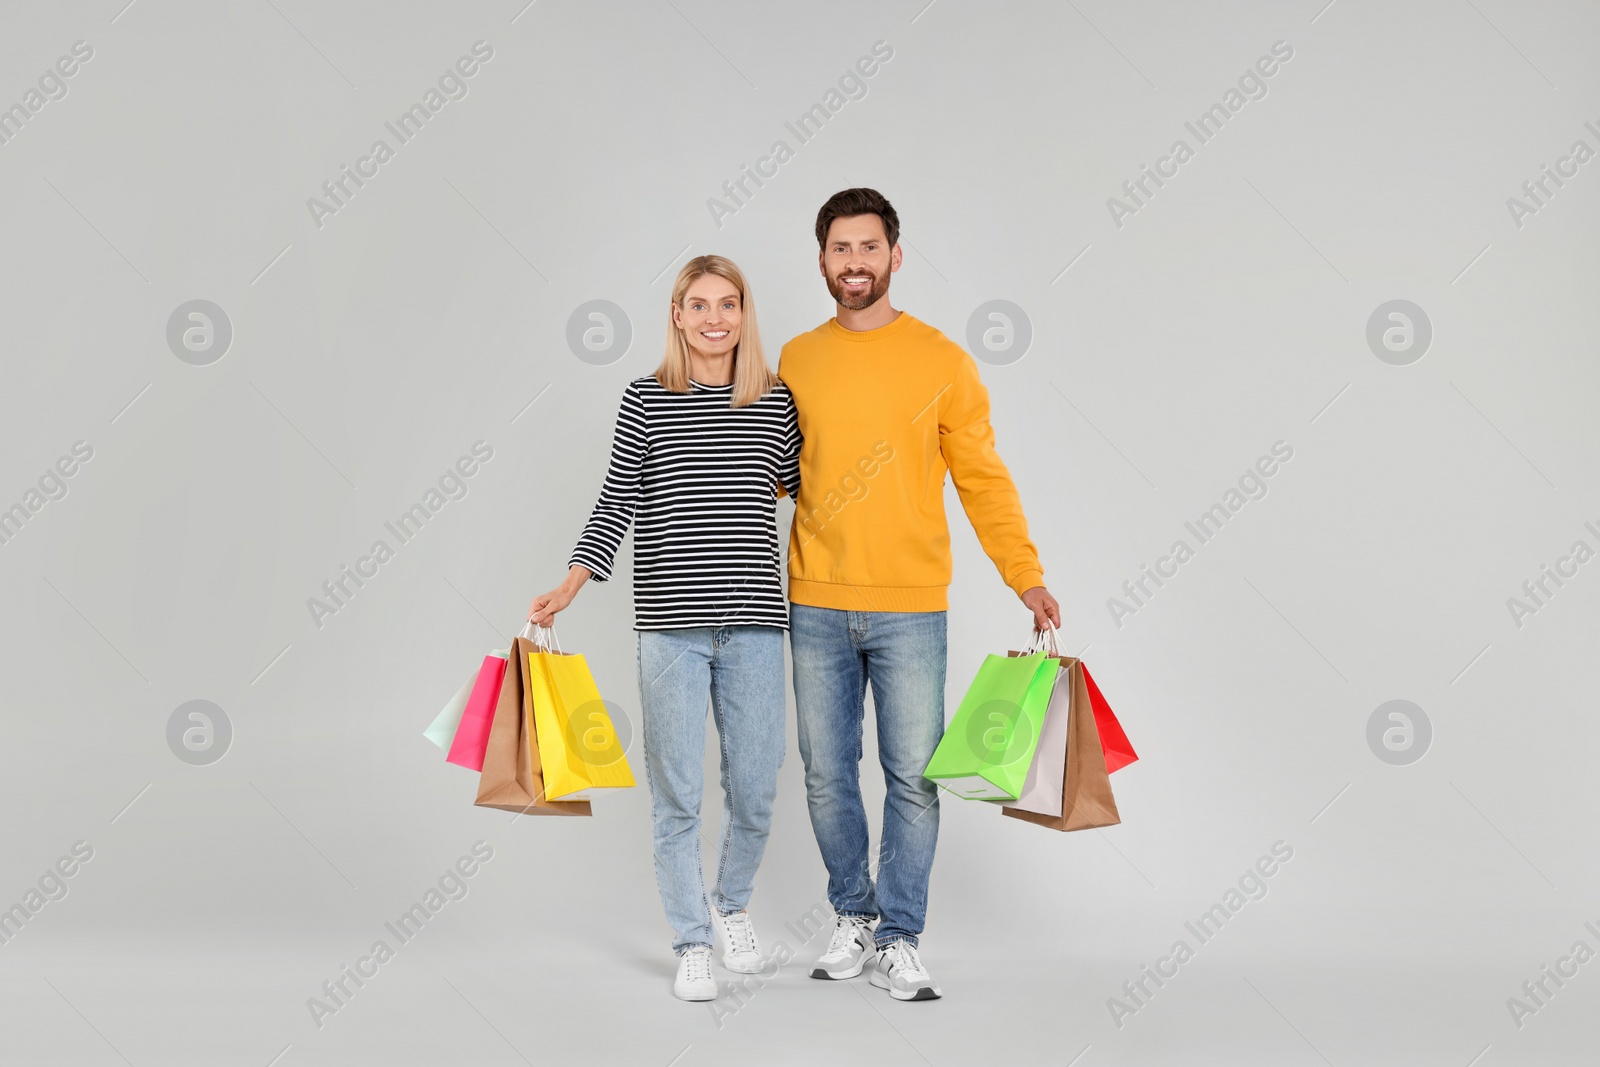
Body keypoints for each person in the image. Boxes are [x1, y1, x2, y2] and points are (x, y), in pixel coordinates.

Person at [778, 188, 1060, 1001]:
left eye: (870, 247)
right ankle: (853, 916)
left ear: (895, 256)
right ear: (823, 258)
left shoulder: (941, 361)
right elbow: (758, 468)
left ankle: (900, 934)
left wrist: (1025, 573)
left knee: (912, 776)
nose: (855, 262)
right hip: (815, 601)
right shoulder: (794, 359)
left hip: (910, 606)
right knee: (827, 775)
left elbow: (981, 477)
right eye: (841, 248)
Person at [527, 255, 801, 1002]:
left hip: (753, 626)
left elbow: (819, 502)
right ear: (678, 316)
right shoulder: (647, 399)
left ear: (745, 315)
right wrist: (572, 582)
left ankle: (731, 902)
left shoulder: (776, 404)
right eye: (700, 304)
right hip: (670, 631)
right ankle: (691, 941)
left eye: (729, 304)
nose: (715, 318)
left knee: (754, 786)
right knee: (676, 794)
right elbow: (617, 499)